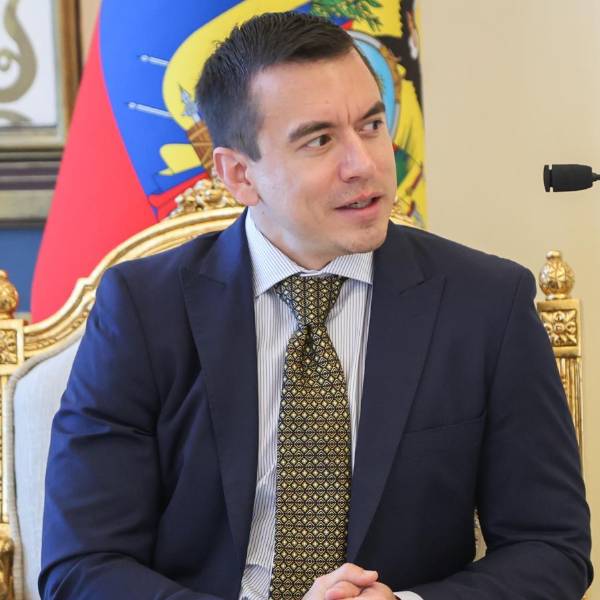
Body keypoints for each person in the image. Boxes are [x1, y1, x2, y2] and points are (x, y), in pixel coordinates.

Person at [40, 11, 592, 600]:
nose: (365, 164)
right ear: (239, 175)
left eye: (372, 125)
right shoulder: (143, 311)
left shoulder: (485, 304)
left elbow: (550, 546)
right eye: (320, 140)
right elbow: (83, 564)